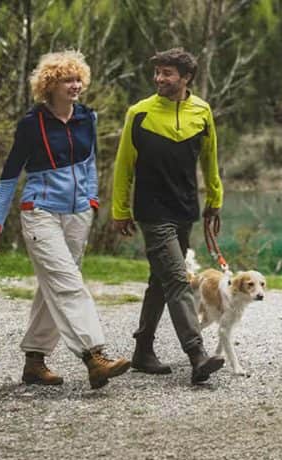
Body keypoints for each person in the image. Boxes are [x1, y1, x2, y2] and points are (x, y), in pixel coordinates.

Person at [0, 50, 131, 389]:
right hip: (41, 212)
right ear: (50, 85)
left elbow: (90, 164)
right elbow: (10, 175)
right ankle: (94, 355)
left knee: (55, 283)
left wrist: (91, 200)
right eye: (68, 80)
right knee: (67, 282)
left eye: (78, 79)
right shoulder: (31, 124)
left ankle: (34, 362)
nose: (75, 85)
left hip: (78, 214)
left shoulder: (87, 118)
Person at [111, 48, 226, 384]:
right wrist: (120, 210)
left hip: (185, 208)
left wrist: (215, 199)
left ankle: (143, 350)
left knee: (160, 280)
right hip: (152, 210)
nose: (159, 79)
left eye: (167, 73)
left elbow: (210, 159)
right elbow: (123, 165)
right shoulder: (139, 113)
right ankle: (197, 354)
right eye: (157, 73)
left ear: (186, 78)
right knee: (177, 279)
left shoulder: (202, 111)